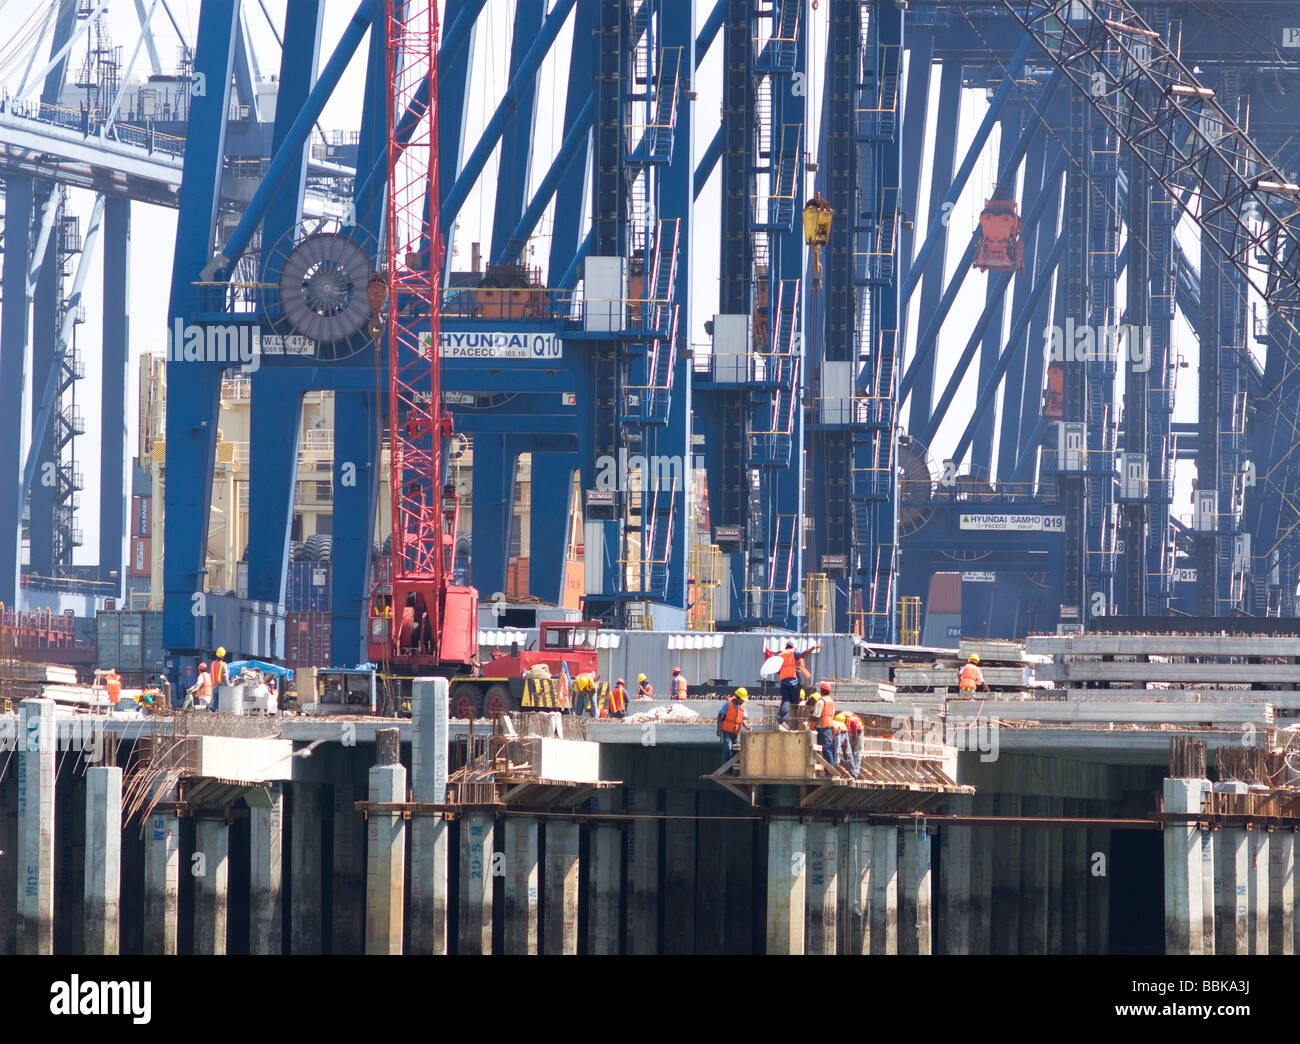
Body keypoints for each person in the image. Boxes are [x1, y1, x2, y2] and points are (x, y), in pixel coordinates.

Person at [773, 641, 811, 728]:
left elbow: (778, 671)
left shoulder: (781, 655)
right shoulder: (793, 652)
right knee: (795, 704)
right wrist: (812, 649)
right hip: (793, 683)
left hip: (783, 683)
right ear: (792, 647)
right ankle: (794, 724)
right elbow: (802, 655)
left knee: (785, 701)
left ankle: (783, 720)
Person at [805, 680, 836, 766]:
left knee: (824, 749)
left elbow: (817, 716)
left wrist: (809, 718)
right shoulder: (831, 701)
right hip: (829, 727)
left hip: (822, 727)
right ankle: (828, 770)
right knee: (828, 748)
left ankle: (829, 771)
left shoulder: (821, 701)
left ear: (821, 691)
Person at [717, 686, 751, 764]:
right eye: (742, 700)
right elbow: (719, 715)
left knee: (735, 749)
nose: (742, 701)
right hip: (727, 731)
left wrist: (747, 726)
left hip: (736, 732)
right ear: (737, 697)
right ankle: (725, 769)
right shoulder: (728, 704)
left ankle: (733, 768)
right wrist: (718, 729)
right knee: (727, 749)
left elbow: (743, 719)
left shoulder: (743, 705)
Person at [840, 710, 865, 777]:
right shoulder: (839, 719)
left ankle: (855, 773)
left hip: (858, 731)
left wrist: (852, 741)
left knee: (857, 752)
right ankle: (851, 772)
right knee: (849, 753)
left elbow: (855, 734)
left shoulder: (852, 720)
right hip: (849, 732)